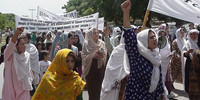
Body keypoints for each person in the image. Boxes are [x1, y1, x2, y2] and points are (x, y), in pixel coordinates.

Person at [120, 0, 164, 99]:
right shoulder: (136, 55)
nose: (155, 39)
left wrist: (163, 95)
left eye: (155, 36)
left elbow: (159, 81)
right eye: (151, 37)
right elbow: (129, 36)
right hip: (136, 96)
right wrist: (126, 13)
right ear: (143, 41)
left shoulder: (157, 57)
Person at [2, 27, 33, 100]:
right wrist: (16, 33)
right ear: (16, 46)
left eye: (25, 44)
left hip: (24, 90)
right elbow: (11, 44)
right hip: (12, 90)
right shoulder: (9, 56)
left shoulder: (27, 56)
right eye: (22, 44)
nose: (25, 46)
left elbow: (29, 72)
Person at [82, 28, 107, 100]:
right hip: (90, 69)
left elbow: (105, 53)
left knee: (99, 90)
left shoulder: (102, 43)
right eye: (94, 33)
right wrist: (92, 56)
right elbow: (83, 56)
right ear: (90, 34)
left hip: (100, 68)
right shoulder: (86, 43)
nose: (96, 34)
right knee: (92, 91)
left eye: (97, 32)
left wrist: (102, 55)